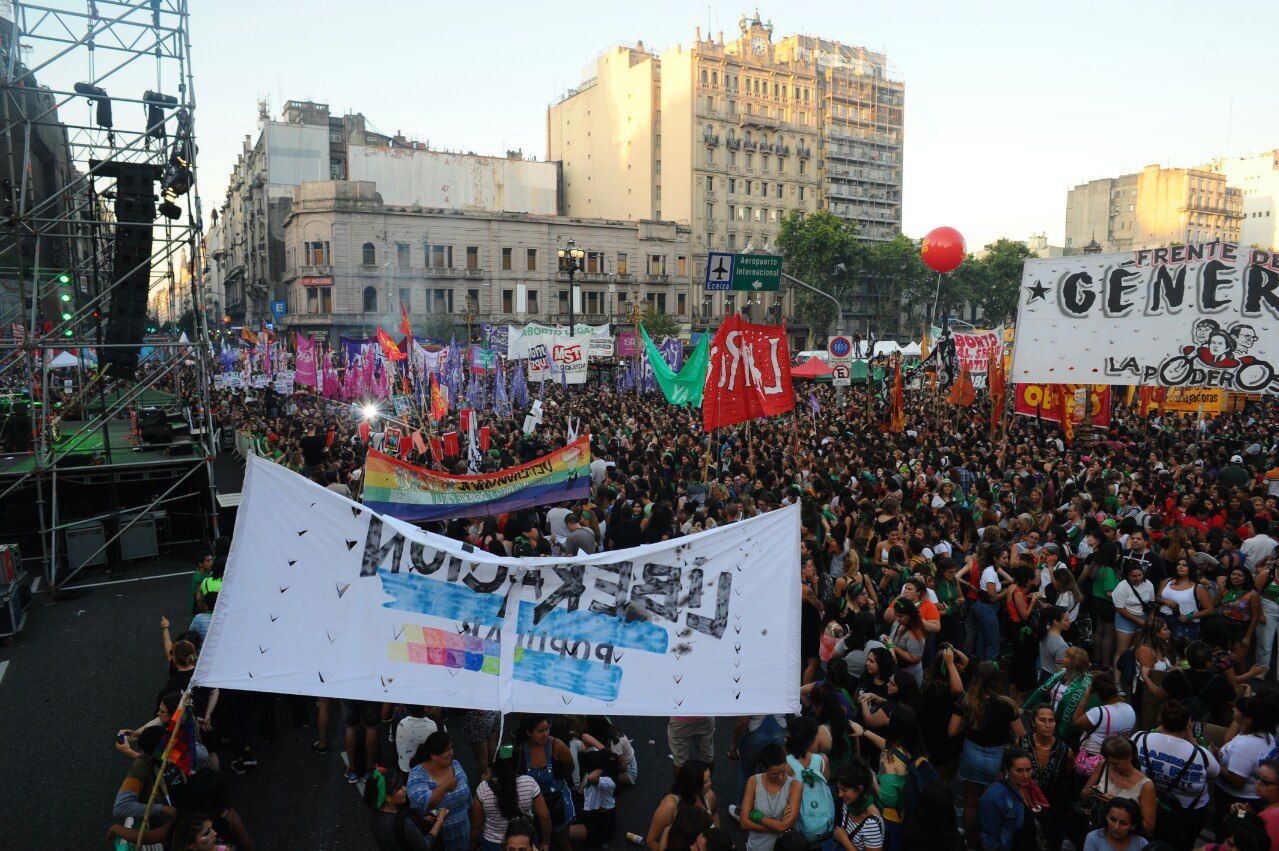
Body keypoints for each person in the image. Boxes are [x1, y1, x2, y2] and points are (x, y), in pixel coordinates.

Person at [950, 662, 1025, 847]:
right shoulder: (1007, 705)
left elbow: (952, 731)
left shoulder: (967, 702)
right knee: (992, 802)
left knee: (970, 802)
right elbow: (1022, 736)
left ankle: (972, 844)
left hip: (972, 753)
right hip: (998, 756)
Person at [1132, 700, 1218, 850]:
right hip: (1189, 813)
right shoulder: (1202, 755)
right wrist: (1191, 737)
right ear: (1187, 724)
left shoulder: (1139, 738)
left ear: (1160, 720)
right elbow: (1214, 771)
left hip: (1148, 802)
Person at [1215, 694, 1279, 837]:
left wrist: (1215, 764)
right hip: (1251, 799)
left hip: (1235, 801)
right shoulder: (1264, 735)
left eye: (1239, 710)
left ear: (1248, 719)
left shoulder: (1245, 746)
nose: (1234, 710)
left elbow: (1236, 781)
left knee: (1229, 831)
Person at [471, 745, 551, 851]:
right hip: (525, 841)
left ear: (497, 763)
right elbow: (545, 818)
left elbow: (477, 824)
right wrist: (545, 843)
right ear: (517, 763)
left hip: (493, 843)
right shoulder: (529, 783)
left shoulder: (484, 788)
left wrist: (472, 844)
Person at [516, 715, 576, 849]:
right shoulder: (521, 750)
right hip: (535, 803)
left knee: (563, 841)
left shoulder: (557, 745)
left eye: (547, 729)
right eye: (540, 731)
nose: (545, 734)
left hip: (558, 800)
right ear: (528, 733)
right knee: (537, 840)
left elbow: (570, 768)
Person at [1080, 737, 1157, 838]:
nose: (1111, 767)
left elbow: (1148, 829)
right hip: (1098, 833)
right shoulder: (1103, 766)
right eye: (1109, 762)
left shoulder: (1146, 786)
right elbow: (1083, 794)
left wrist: (1119, 805)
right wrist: (1092, 792)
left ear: (1129, 758)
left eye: (1115, 763)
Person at [407, 731, 472, 851]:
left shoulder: (455, 765)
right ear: (434, 756)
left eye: (451, 748)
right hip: (437, 839)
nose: (451, 753)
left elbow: (468, 797)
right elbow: (421, 803)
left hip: (462, 833)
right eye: (446, 750)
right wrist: (446, 786)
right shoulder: (417, 774)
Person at [366, 766, 447, 851]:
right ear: (388, 797)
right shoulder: (403, 823)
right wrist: (440, 820)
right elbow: (425, 845)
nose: (405, 789)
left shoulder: (374, 817)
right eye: (399, 788)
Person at [977, 747, 1043, 851]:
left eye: (1028, 770)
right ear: (1007, 770)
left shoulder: (1031, 788)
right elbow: (989, 841)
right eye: (1019, 770)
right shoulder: (994, 797)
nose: (1026, 776)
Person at [738, 743, 801, 851]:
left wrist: (758, 817)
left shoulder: (795, 786)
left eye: (783, 771)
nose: (781, 777)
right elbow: (744, 823)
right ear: (764, 768)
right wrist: (779, 825)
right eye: (775, 774)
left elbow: (784, 826)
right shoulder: (753, 781)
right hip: (758, 846)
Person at [644, 759, 717, 850]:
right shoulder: (669, 806)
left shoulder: (709, 795)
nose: (711, 783)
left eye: (710, 778)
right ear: (694, 785)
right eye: (706, 782)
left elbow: (715, 823)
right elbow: (651, 840)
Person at [1074, 674, 1138, 778]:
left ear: (1098, 694)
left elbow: (1076, 722)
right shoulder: (1129, 708)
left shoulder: (1099, 712)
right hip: (1117, 759)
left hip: (1093, 759)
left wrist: (1085, 697)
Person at [567, 746, 618, 846]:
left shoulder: (608, 782)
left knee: (562, 834)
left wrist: (602, 768)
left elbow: (590, 779)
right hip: (589, 816)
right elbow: (580, 792)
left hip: (601, 826)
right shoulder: (595, 775)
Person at [832, 760, 885, 851]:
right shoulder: (848, 803)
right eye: (839, 789)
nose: (840, 794)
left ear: (860, 789)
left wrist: (844, 839)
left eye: (844, 790)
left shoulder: (871, 823)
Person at [1081, 798, 1147, 851]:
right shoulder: (1093, 839)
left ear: (1133, 825)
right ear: (1106, 816)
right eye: (1113, 820)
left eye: (1123, 823)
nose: (1116, 827)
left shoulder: (1141, 844)